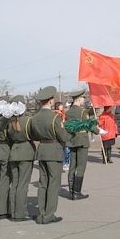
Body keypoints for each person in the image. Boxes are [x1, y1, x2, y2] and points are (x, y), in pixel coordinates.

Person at [30, 86, 71, 224]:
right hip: (53, 151)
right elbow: (64, 137)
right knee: (53, 184)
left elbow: (33, 135)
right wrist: (71, 131)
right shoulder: (55, 118)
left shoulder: (34, 118)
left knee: (43, 183)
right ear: (50, 101)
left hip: (42, 150)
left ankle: (41, 213)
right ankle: (49, 214)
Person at [65, 89, 102, 200]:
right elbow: (87, 125)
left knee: (72, 166)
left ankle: (71, 191)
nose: (83, 100)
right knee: (81, 167)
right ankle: (77, 192)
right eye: (83, 98)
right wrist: (98, 131)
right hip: (82, 140)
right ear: (79, 99)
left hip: (72, 140)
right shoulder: (82, 112)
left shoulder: (68, 112)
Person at [7, 95, 35, 222]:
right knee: (23, 185)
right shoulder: (27, 120)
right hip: (26, 152)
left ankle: (12, 211)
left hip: (14, 152)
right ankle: (21, 213)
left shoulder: (9, 122)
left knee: (15, 184)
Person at [54, 102, 69, 172]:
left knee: (66, 149)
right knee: (63, 149)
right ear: (57, 107)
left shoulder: (63, 114)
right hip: (59, 133)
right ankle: (63, 163)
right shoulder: (56, 114)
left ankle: (66, 163)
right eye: (61, 106)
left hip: (64, 132)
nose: (62, 107)